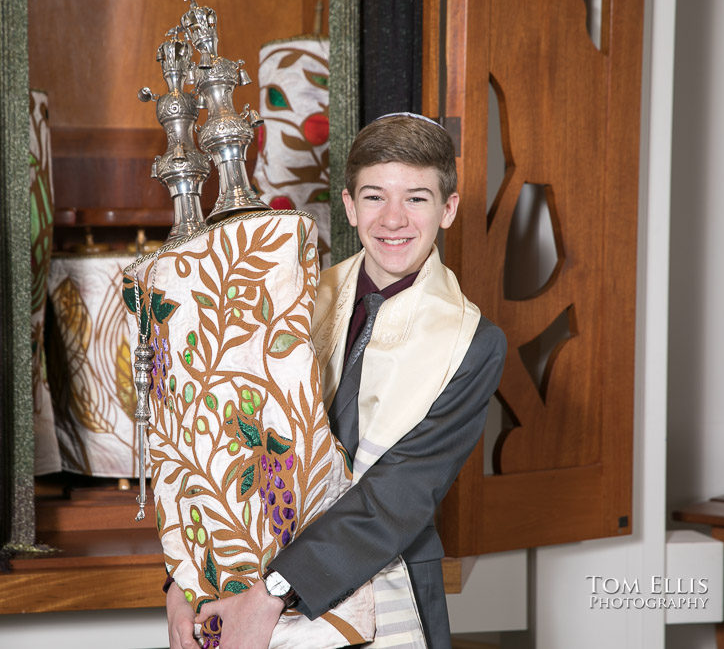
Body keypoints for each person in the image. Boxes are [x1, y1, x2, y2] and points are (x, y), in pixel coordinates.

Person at [166, 112, 507, 649]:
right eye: (375, 197)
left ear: (448, 209)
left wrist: (273, 593)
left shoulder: (473, 342)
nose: (393, 219)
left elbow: (400, 496)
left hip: (374, 584)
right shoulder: (292, 296)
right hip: (244, 572)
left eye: (416, 198)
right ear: (349, 206)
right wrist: (182, 578)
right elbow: (218, 424)